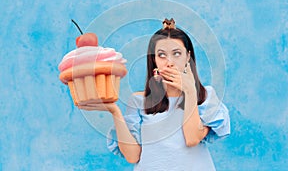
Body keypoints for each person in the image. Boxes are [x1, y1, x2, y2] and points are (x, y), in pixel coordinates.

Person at [79, 18, 230, 170]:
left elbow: (192, 139)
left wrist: (190, 91)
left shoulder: (205, 96)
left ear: (188, 56)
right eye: (162, 55)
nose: (169, 62)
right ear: (154, 60)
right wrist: (115, 111)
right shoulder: (139, 100)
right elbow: (133, 156)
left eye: (177, 53)